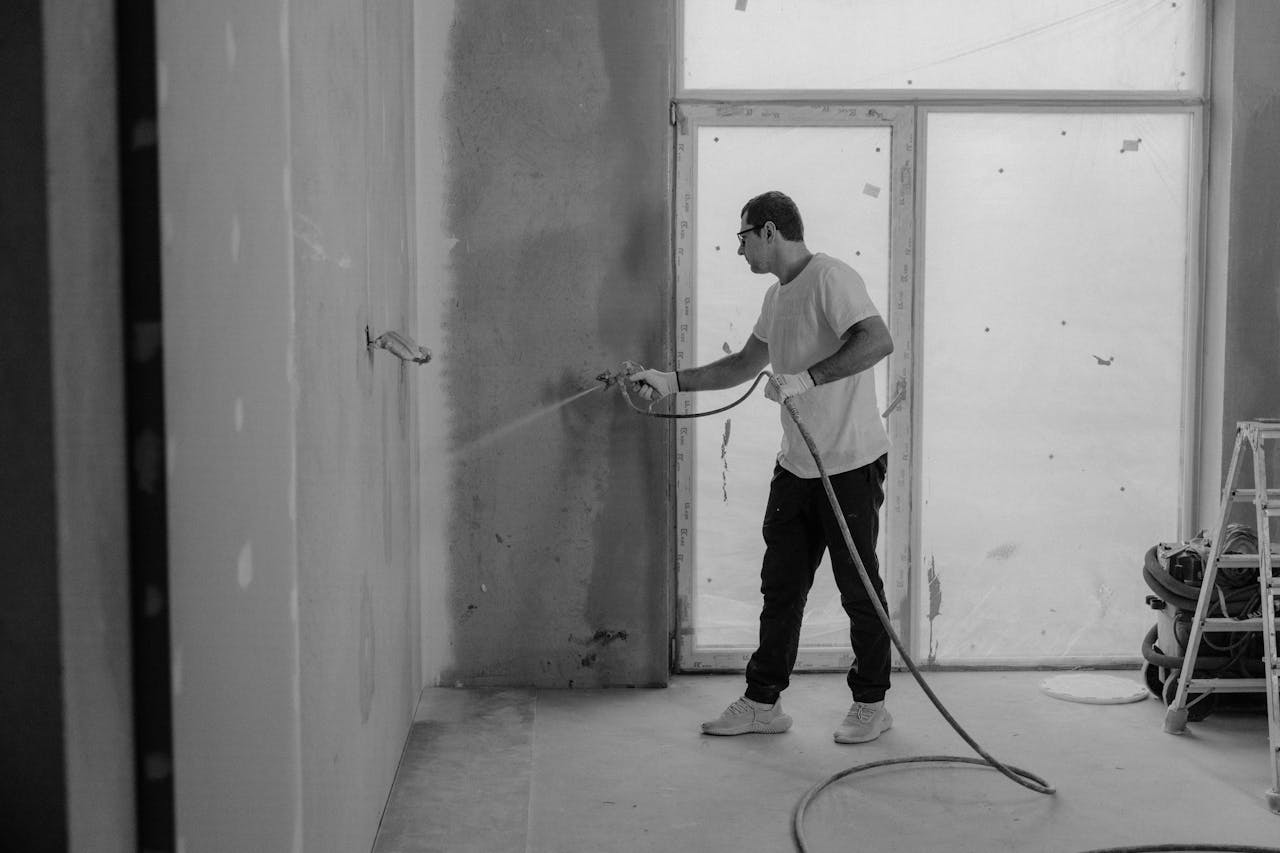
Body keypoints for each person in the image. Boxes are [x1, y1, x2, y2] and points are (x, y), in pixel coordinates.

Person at [629, 190, 895, 744]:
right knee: (781, 589)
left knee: (858, 588)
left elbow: (877, 340)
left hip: (848, 466)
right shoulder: (778, 297)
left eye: (743, 237)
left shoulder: (830, 278)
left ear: (770, 231)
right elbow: (745, 364)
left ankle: (871, 702)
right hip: (796, 468)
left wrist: (807, 378)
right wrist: (669, 381)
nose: (740, 249)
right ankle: (762, 702)